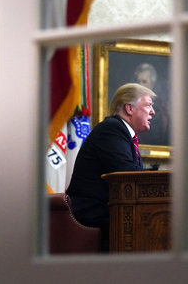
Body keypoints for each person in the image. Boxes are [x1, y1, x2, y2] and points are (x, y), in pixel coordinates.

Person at [66, 83, 156, 252]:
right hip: (93, 211)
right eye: (148, 105)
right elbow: (128, 176)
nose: (153, 112)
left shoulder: (122, 133)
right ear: (129, 108)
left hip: (111, 208)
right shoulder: (111, 129)